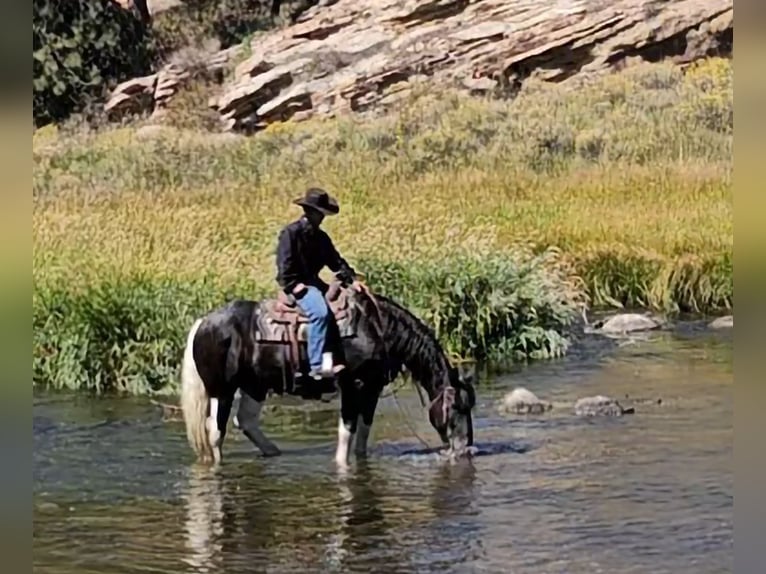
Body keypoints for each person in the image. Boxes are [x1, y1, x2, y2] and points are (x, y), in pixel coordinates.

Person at [275, 187, 362, 381]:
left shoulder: (321, 238)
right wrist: (293, 285)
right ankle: (316, 365)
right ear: (310, 211)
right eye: (319, 213)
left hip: (314, 283)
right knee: (320, 313)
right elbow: (284, 264)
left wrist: (352, 280)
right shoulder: (290, 233)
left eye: (322, 214)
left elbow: (336, 262)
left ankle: (337, 357)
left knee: (345, 306)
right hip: (298, 284)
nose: (321, 218)